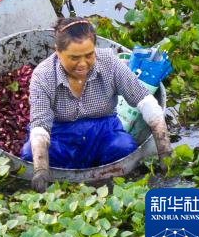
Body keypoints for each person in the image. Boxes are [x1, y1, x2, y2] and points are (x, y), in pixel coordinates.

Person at [22, 17, 173, 192]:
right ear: (58, 52)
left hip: (103, 131)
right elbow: (40, 126)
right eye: (74, 58)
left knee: (124, 148)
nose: (83, 64)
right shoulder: (43, 75)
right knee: (28, 155)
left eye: (89, 55)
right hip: (59, 135)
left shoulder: (110, 63)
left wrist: (164, 150)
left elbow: (145, 101)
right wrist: (41, 169)